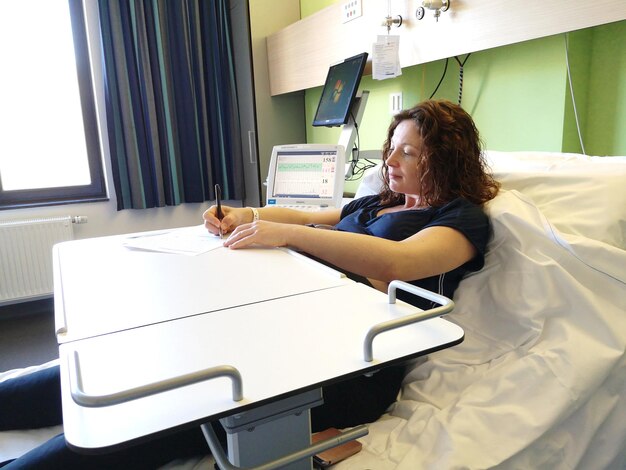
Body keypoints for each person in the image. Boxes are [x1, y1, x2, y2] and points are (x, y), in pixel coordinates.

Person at [0, 100, 499, 469]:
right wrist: (251, 214)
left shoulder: (461, 219)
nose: (390, 162)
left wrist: (291, 234)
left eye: (408, 153)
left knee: (170, 405)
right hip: (300, 323)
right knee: (126, 367)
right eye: (391, 149)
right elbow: (310, 215)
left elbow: (401, 261)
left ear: (446, 159)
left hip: (352, 367)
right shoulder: (376, 203)